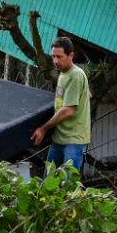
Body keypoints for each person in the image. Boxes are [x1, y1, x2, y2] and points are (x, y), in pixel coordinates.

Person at [31, 37, 91, 172]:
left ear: (71, 55)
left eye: (59, 57)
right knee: (49, 181)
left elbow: (68, 111)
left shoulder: (76, 75)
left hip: (73, 140)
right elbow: (84, 94)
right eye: (53, 56)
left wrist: (43, 128)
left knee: (68, 183)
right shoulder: (64, 73)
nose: (56, 61)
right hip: (59, 137)